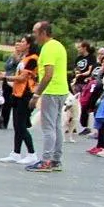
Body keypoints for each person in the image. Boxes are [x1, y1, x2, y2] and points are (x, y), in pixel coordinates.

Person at [26, 21, 69, 173]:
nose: (34, 36)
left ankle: (46, 161)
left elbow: (48, 74)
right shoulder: (58, 45)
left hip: (51, 91)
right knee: (57, 126)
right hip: (62, 89)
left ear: (43, 32)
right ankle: (56, 160)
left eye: (35, 32)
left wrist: (36, 94)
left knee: (48, 127)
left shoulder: (48, 48)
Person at [0, 35, 39, 165]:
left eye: (22, 42)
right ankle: (16, 153)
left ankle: (32, 153)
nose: (19, 44)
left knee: (21, 125)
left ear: (29, 45)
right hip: (17, 93)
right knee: (16, 125)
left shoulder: (33, 59)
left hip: (25, 94)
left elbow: (22, 78)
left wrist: (5, 79)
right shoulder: (23, 58)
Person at [71, 41, 95, 135]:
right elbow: (76, 68)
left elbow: (90, 70)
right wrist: (77, 73)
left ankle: (85, 126)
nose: (78, 49)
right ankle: (73, 125)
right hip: (77, 82)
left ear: (85, 48)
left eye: (80, 47)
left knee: (84, 105)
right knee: (74, 104)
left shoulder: (91, 58)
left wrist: (81, 74)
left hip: (86, 83)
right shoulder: (78, 58)